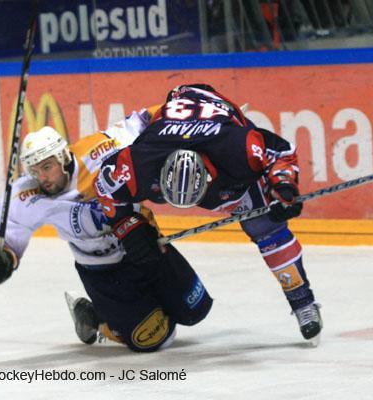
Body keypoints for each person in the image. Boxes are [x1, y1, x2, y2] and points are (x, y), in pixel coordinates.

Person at [94, 84, 323, 346]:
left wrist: (283, 186)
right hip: (170, 128)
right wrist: (129, 227)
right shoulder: (139, 164)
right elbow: (104, 188)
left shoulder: (237, 148)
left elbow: (281, 152)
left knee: (265, 227)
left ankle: (303, 302)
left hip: (216, 126)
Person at [0, 116, 213, 353]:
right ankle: (94, 318)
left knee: (196, 310)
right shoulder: (27, 195)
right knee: (156, 338)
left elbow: (145, 119)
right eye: (35, 171)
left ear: (63, 157)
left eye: (47, 167)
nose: (42, 178)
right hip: (103, 271)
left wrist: (204, 120)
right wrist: (2, 256)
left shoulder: (99, 151)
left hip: (145, 245)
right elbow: (8, 228)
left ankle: (134, 310)